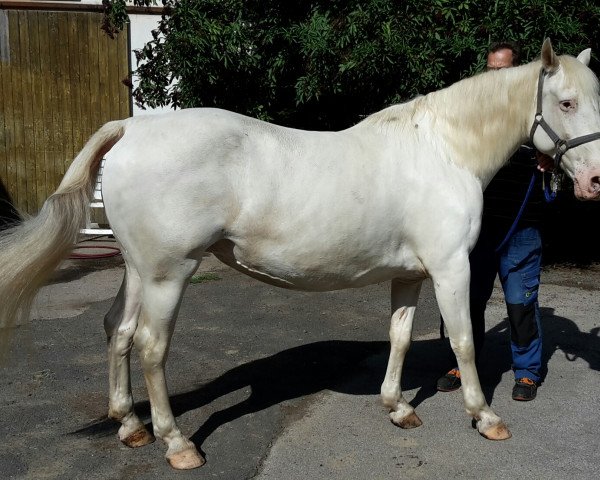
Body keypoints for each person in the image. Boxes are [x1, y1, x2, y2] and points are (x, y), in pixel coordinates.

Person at [436, 41, 553, 401]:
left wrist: (548, 162)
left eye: (503, 69)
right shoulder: (472, 119)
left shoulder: (532, 120)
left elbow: (565, 155)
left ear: (517, 71)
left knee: (519, 305)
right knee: (464, 301)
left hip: (521, 230)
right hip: (477, 231)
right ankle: (460, 363)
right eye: (491, 69)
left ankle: (528, 372)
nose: (496, 76)